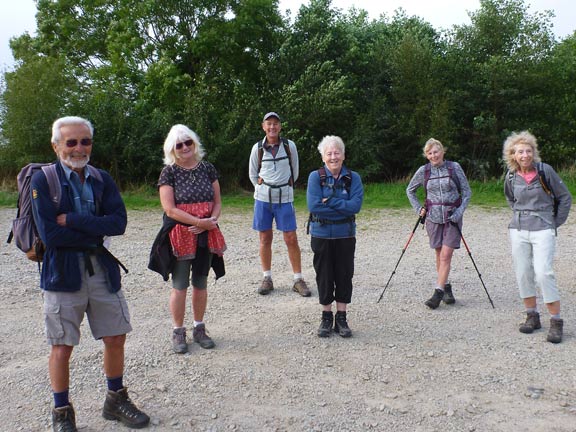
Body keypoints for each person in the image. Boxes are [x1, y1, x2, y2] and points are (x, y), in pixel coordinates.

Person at [30, 116, 149, 431]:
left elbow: (118, 223)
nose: (79, 148)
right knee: (62, 345)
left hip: (101, 269)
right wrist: (94, 229)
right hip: (62, 274)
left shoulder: (101, 178)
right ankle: (61, 412)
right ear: (56, 146)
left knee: (115, 336)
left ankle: (115, 399)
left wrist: (70, 220)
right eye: (71, 142)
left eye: (85, 141)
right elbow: (51, 236)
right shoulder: (43, 181)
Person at [158, 125, 226, 354]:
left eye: (188, 142)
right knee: (180, 285)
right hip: (181, 235)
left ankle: (199, 328)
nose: (185, 147)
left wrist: (212, 220)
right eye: (179, 145)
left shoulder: (207, 168)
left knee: (201, 282)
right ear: (172, 149)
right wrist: (198, 223)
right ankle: (178, 331)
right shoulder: (169, 172)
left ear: (195, 143)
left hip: (206, 233)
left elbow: (217, 201)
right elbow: (170, 209)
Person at [503, 131, 571, 343]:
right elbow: (511, 199)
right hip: (519, 228)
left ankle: (556, 321)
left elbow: (565, 197)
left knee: (543, 273)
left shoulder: (545, 171)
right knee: (523, 272)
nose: (525, 155)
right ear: (513, 155)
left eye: (528, 150)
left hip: (543, 228)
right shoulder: (511, 176)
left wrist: (553, 223)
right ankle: (532, 316)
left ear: (534, 152)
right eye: (520, 152)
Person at [249, 112, 310, 296]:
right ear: (263, 126)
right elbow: (253, 174)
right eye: (269, 124)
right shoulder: (257, 148)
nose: (272, 127)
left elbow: (295, 171)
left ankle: (298, 279)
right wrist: (261, 188)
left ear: (280, 127)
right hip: (263, 199)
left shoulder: (289, 146)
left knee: (291, 238)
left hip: (285, 198)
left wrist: (285, 185)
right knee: (265, 238)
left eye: (275, 124)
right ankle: (267, 278)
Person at [307, 136, 363, 337]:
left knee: (344, 275)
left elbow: (355, 207)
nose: (333, 157)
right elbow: (314, 206)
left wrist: (329, 201)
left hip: (345, 235)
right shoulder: (315, 177)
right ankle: (326, 317)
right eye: (329, 153)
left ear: (344, 155)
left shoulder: (353, 178)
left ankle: (342, 317)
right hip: (321, 234)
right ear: (323, 157)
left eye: (337, 152)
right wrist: (342, 206)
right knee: (324, 276)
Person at [406, 138, 472, 309]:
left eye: (436, 151)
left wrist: (459, 212)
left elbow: (466, 192)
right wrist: (418, 209)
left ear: (443, 151)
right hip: (432, 218)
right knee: (439, 254)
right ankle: (447, 287)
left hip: (452, 218)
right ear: (426, 155)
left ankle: (438, 293)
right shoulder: (424, 171)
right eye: (429, 153)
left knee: (446, 255)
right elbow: (410, 190)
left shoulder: (454, 167)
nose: (433, 155)